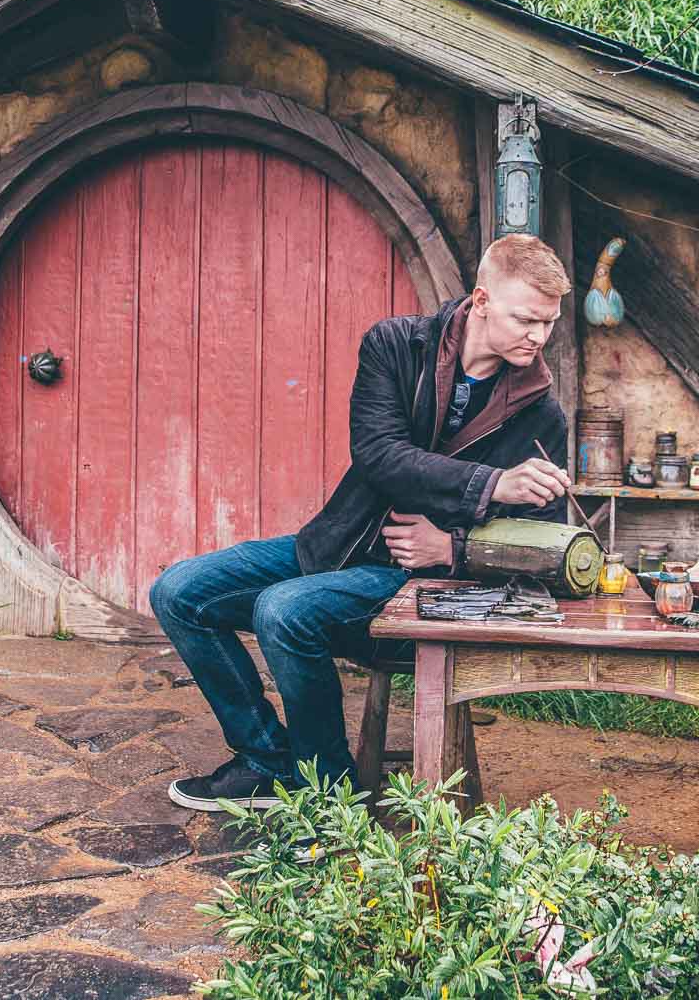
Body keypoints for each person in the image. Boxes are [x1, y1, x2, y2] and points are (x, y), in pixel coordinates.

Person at [150, 232, 574, 811]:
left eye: (548, 324)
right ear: (481, 301)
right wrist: (492, 482)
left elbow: (544, 536)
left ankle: (330, 796)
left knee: (284, 610)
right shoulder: (396, 345)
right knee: (178, 591)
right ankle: (265, 761)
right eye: (527, 319)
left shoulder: (541, 410)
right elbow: (379, 454)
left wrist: (450, 549)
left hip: (427, 584)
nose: (539, 336)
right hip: (339, 544)